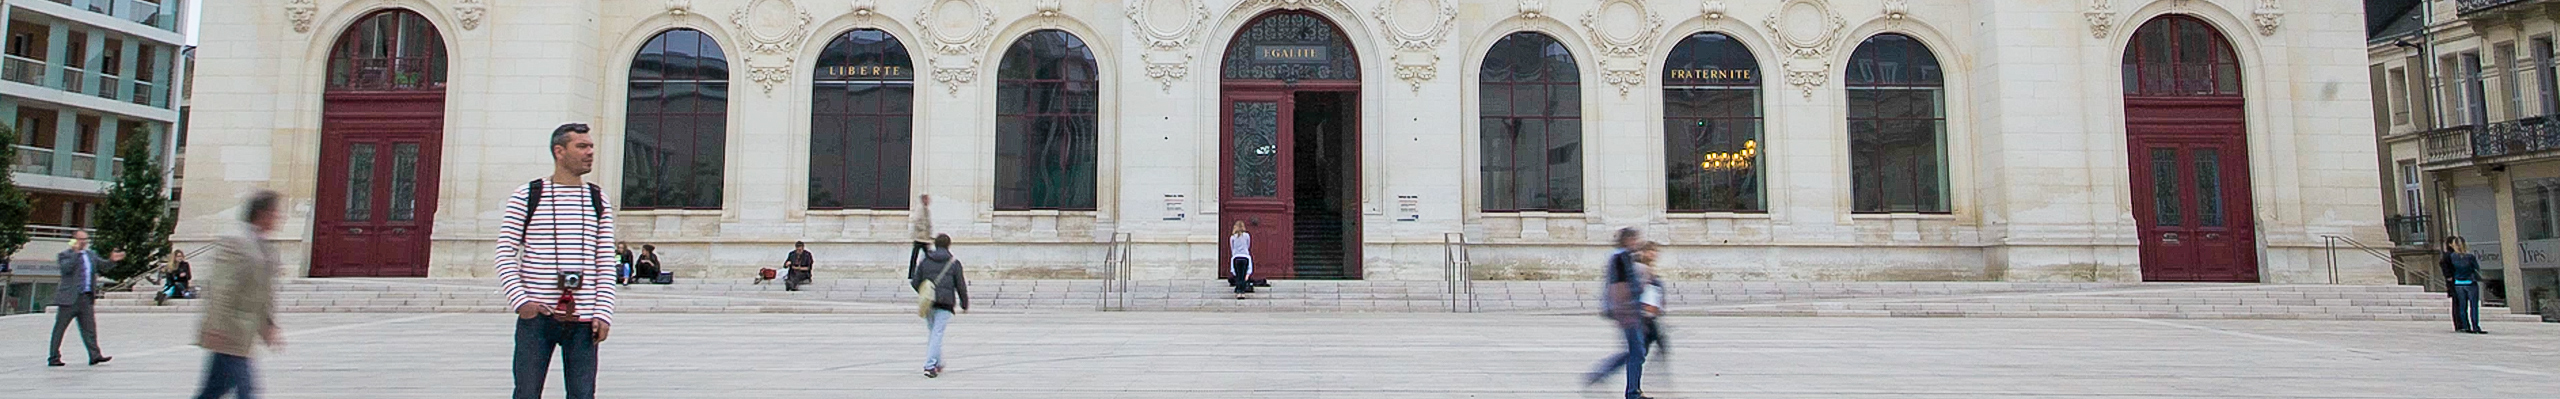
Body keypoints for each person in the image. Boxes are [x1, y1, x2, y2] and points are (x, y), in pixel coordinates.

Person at [496, 122, 620, 399]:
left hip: (584, 319)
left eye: (591, 146)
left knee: (582, 394)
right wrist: (522, 302)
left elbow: (604, 261)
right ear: (559, 151)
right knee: (526, 392)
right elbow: (505, 253)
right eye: (582, 146)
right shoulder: (527, 196)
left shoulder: (597, 198)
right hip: (538, 317)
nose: (590, 152)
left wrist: (603, 313)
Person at [193, 190, 287, 399]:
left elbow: (263, 292)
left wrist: (269, 326)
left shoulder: (266, 247)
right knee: (247, 391)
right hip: (228, 331)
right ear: (262, 214)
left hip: (243, 333)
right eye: (275, 212)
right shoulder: (236, 242)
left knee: (213, 390)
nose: (279, 218)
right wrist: (217, 326)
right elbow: (220, 287)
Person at [1583, 227, 1652, 399]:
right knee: (1637, 351)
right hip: (1628, 311)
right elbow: (1619, 287)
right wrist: (1629, 309)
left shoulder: (1620, 257)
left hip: (1626, 310)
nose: (1637, 243)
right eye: (1634, 240)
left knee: (1635, 351)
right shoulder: (1621, 258)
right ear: (1627, 240)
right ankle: (1631, 392)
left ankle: (1611, 378)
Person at [48, 231, 115, 367]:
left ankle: (95, 355)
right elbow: (66, 269)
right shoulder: (64, 255)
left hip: (86, 297)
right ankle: (54, 357)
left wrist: (112, 261)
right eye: (80, 239)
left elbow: (103, 267)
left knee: (89, 328)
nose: (83, 242)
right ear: (73, 240)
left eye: (85, 239)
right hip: (69, 299)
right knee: (60, 328)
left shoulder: (91, 255)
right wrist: (76, 253)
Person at [910, 234, 971, 378]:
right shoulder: (953, 262)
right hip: (945, 302)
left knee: (933, 334)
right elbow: (960, 285)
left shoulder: (925, 261)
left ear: (935, 245)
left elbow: (915, 281)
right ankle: (930, 365)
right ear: (948, 245)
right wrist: (964, 303)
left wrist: (925, 292)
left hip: (929, 303)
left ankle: (938, 362)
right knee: (937, 334)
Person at [2439, 236, 2485, 334]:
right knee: (2473, 306)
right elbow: (2476, 267)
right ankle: (2475, 326)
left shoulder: (2452, 257)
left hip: (2458, 283)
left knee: (2462, 306)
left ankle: (2465, 326)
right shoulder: (2470, 256)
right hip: (2470, 282)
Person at [1632, 241, 1668, 357]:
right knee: (1642, 349)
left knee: (1647, 347)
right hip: (1644, 313)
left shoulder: (1649, 269)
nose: (1654, 254)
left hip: (1649, 314)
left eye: (1655, 251)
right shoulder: (1640, 268)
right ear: (1643, 252)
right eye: (1650, 251)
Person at [908, 194, 934, 280]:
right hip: (920, 238)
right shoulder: (920, 209)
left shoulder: (926, 210)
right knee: (918, 255)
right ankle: (912, 274)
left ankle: (914, 273)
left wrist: (929, 236)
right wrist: (924, 230)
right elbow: (917, 221)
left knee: (923, 255)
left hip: (924, 238)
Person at [1228, 221, 1254, 298]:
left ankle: (1238, 291)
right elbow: (1248, 245)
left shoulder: (1233, 237)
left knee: (1238, 275)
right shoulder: (1247, 236)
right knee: (1243, 275)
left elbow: (1232, 248)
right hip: (1245, 257)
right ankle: (1242, 291)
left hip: (1236, 257)